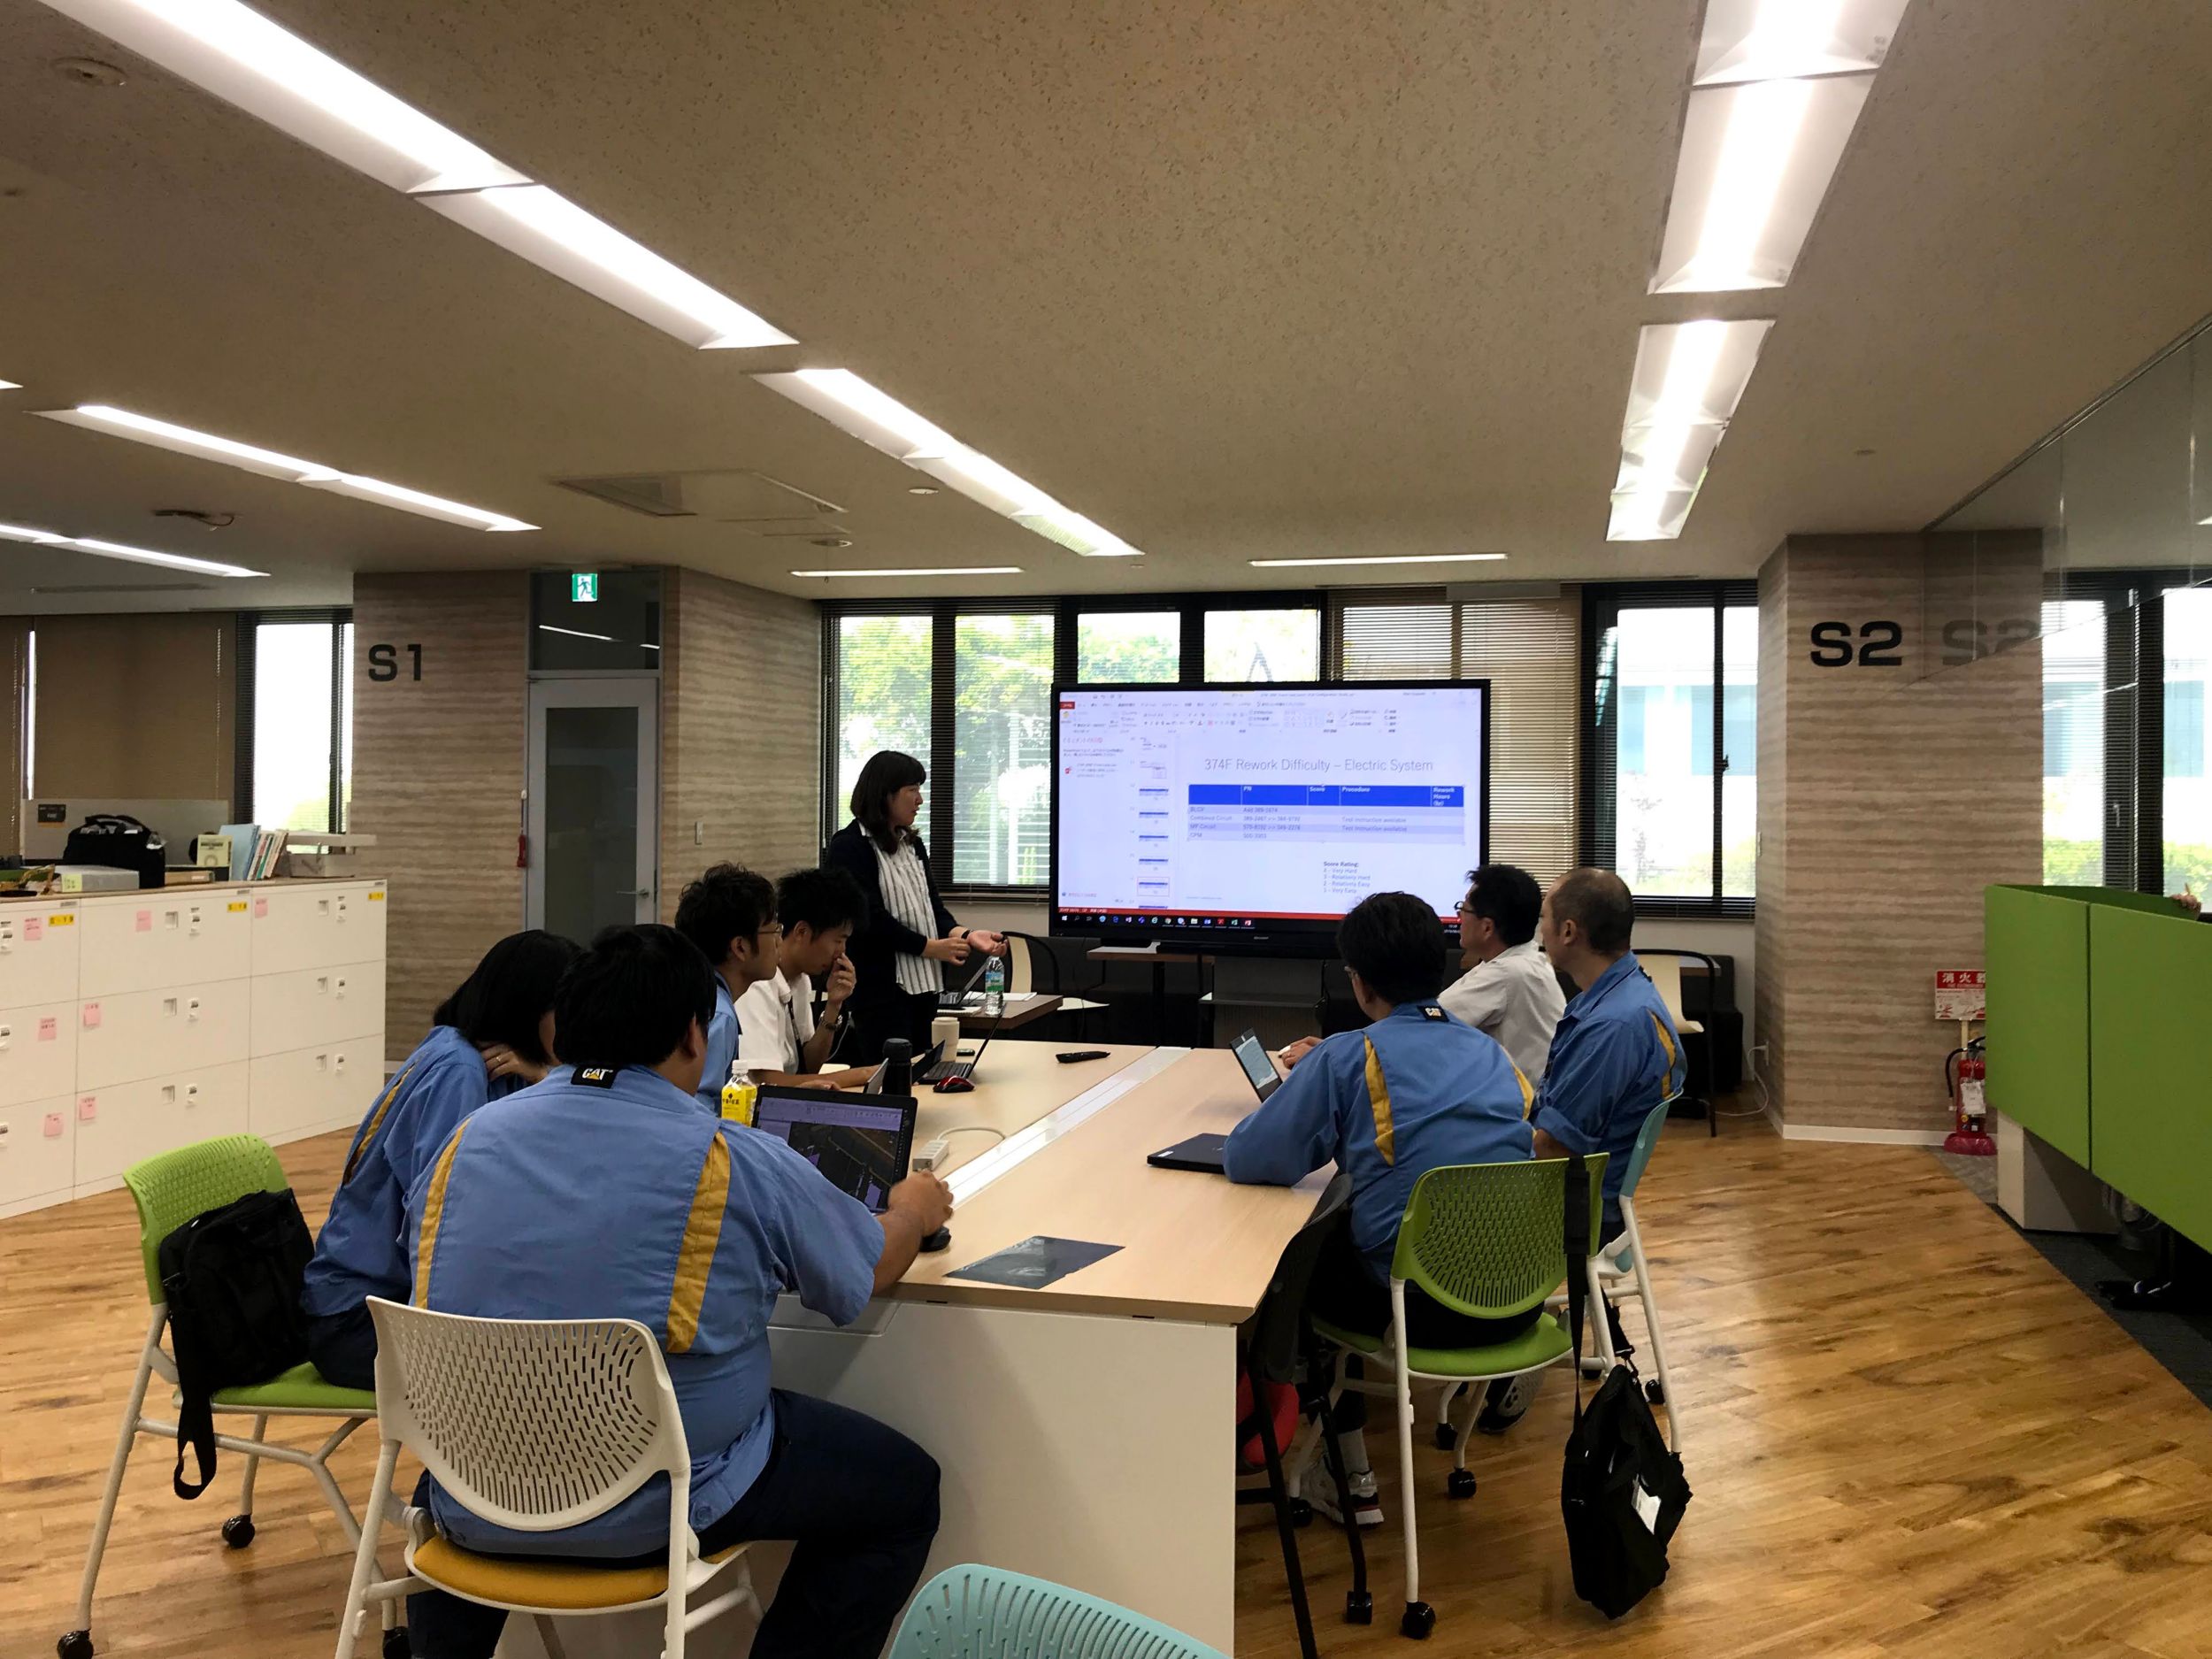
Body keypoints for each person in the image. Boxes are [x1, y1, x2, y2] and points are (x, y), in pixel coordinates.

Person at [402, 924, 955, 1659]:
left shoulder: (463, 1143)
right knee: (905, 1490)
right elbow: (862, 1273)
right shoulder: (730, 1157)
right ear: (697, 1036)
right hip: (657, 1502)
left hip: (472, 1490)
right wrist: (913, 1210)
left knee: (473, 1453)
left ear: (562, 1030)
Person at [1221, 891, 1534, 1527]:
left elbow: (1250, 1158)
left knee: (1301, 1252)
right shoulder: (1493, 1055)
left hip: (1417, 1306)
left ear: (1360, 983)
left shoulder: (1349, 1054)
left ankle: (1348, 1472)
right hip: (1517, 1297)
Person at [298, 930, 580, 1390]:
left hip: (380, 1306)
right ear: (529, 1009)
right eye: (564, 1014)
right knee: (545, 1373)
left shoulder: (468, 1052)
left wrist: (547, 1078)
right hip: (359, 1323)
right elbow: (442, 1220)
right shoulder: (459, 1071)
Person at [1479, 866, 1686, 1436]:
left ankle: (1500, 1336)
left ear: (1569, 931)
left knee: (1409, 1195)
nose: (1539, 928)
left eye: (1545, 918)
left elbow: (1552, 1146)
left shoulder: (1611, 1027)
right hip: (1596, 1196)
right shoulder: (1622, 994)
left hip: (1569, 1211)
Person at [824, 749, 1005, 1061]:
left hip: (925, 986)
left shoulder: (912, 843)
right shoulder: (849, 847)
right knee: (889, 1078)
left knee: (925, 1072)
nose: (920, 800)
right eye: (912, 790)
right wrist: (930, 947)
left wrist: (966, 935)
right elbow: (869, 920)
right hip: (881, 991)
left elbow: (931, 907)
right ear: (885, 795)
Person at [736, 865, 876, 1089]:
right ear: (802, 932)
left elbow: (809, 1067)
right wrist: (865, 1073)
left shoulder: (800, 980)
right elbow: (769, 1082)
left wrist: (833, 1005)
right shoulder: (757, 985)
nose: (841, 951)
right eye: (838, 940)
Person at [1440, 864, 1567, 1081]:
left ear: (1487, 928)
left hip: (1525, 1109)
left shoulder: (1509, 973)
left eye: (1464, 909)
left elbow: (1426, 1025)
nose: (1459, 915)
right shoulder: (1522, 960)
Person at [672, 862, 782, 1111]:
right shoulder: (717, 1013)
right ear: (740, 947)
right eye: (773, 929)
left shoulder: (698, 994)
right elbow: (697, 1113)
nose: (779, 940)